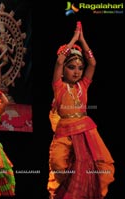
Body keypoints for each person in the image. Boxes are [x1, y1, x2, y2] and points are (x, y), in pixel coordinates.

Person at [47, 21, 115, 199]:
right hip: (65, 129)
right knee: (59, 165)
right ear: (63, 71)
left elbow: (92, 62)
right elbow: (60, 60)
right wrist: (73, 40)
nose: (77, 72)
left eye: (79, 68)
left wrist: (83, 40)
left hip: (85, 129)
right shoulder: (59, 86)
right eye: (71, 67)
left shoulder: (83, 86)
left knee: (97, 164)